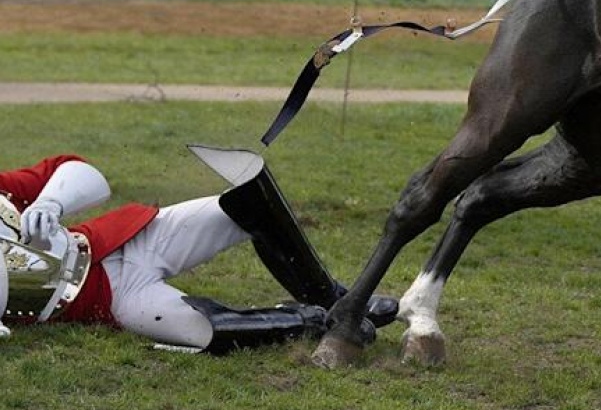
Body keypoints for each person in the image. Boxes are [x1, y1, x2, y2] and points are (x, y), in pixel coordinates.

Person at [0, 149, 397, 353]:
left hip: (121, 239)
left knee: (250, 202)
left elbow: (81, 171)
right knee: (209, 330)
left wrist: (51, 201)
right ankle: (314, 322)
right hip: (113, 299)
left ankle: (336, 299)